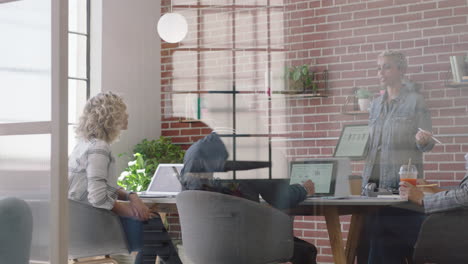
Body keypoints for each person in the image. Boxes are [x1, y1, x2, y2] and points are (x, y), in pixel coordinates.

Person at [68, 91, 181, 264]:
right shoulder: (99, 148)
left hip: (77, 225)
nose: (127, 115)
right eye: (123, 111)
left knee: (152, 224)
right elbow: (98, 198)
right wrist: (132, 211)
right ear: (111, 116)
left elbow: (101, 187)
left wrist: (131, 196)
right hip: (92, 227)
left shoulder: (83, 145)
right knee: (152, 224)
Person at [180, 131, 318, 264]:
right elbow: (281, 198)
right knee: (306, 251)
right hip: (244, 243)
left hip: (201, 244)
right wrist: (304, 188)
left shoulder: (193, 151)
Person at [358, 50, 436, 264]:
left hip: (400, 186)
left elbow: (428, 143)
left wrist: (422, 140)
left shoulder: (415, 101)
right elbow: (372, 144)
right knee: (372, 246)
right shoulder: (375, 105)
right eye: (378, 67)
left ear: (402, 70)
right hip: (372, 188)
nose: (381, 72)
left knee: (393, 248)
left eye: (387, 66)